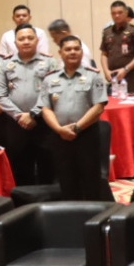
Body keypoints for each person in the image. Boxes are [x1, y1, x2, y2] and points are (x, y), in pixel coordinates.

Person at [38, 35, 115, 202]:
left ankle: (95, 215)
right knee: (66, 181)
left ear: (82, 51)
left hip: (86, 135)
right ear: (60, 53)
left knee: (91, 182)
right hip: (60, 137)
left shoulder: (93, 76)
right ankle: (70, 215)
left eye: (76, 48)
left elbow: (99, 106)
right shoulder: (50, 78)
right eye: (68, 49)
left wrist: (77, 127)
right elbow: (45, 108)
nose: (72, 52)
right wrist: (59, 129)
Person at [0, 26, 56, 184]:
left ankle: (48, 198)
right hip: (16, 123)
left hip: (44, 121)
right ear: (15, 42)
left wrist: (33, 114)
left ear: (37, 40)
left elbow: (52, 92)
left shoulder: (49, 62)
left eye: (30, 38)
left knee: (47, 166)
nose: (26, 41)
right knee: (20, 167)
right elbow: (1, 96)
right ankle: (23, 198)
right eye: (21, 39)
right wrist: (20, 116)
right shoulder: (4, 63)